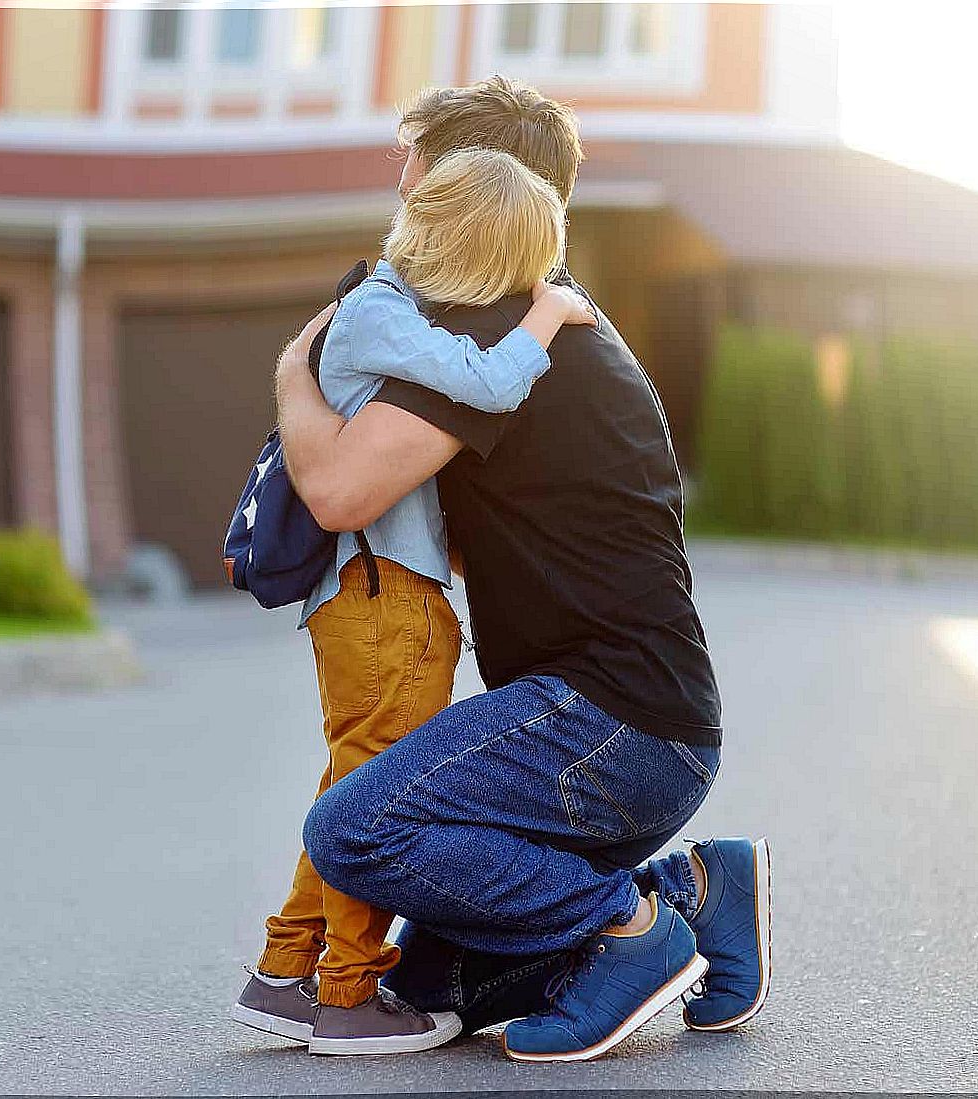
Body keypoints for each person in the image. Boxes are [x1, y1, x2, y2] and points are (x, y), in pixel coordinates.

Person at [270, 77, 772, 1063]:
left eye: (414, 163)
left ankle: (629, 932)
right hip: (629, 732)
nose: (400, 182)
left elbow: (334, 488)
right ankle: (695, 892)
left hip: (609, 726)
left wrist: (292, 372)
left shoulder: (492, 330)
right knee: (432, 983)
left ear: (470, 183)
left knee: (354, 834)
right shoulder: (539, 317)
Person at [232, 145, 598, 1056]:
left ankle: (285, 972)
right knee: (375, 798)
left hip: (379, 592)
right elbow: (489, 382)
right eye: (514, 269)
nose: (517, 289)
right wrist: (550, 312)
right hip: (381, 595)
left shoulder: (380, 313)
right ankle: (348, 992)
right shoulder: (378, 314)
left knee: (350, 781)